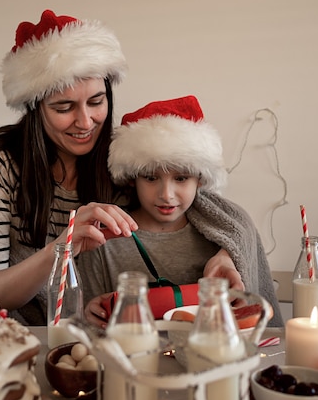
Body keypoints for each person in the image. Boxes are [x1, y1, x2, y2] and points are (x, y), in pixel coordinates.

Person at [0, 9, 138, 326]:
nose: (85, 122)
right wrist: (62, 247)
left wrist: (224, 253)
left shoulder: (122, 156)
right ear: (35, 108)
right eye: (64, 107)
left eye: (96, 101)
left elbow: (192, 209)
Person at [79, 95, 283, 328]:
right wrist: (91, 311)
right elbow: (84, 318)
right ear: (132, 178)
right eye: (151, 177)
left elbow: (244, 314)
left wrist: (229, 257)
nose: (166, 194)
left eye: (181, 178)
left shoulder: (222, 238)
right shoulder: (105, 240)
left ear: (201, 179)